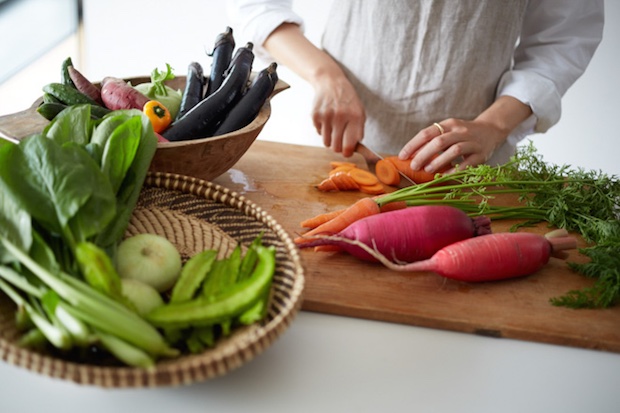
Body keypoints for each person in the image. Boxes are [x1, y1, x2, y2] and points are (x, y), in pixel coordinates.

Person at [228, 1, 604, 174]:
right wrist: (327, 75)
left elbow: (565, 38)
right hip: (344, 145)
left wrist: (493, 127)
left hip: (472, 161)